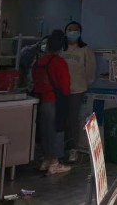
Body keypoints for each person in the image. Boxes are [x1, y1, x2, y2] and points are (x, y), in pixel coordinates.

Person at [32, 30, 71, 175]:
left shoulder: (39, 61)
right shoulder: (59, 62)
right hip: (55, 101)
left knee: (45, 131)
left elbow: (34, 79)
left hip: (42, 100)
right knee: (56, 131)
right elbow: (65, 85)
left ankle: (46, 160)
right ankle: (55, 163)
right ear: (61, 47)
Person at [61, 21, 96, 163]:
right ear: (65, 31)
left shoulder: (85, 50)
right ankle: (60, 148)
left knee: (73, 119)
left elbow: (90, 69)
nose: (72, 32)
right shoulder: (61, 49)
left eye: (75, 29)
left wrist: (86, 83)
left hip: (77, 89)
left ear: (80, 33)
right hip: (60, 90)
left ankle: (73, 149)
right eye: (70, 29)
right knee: (61, 119)